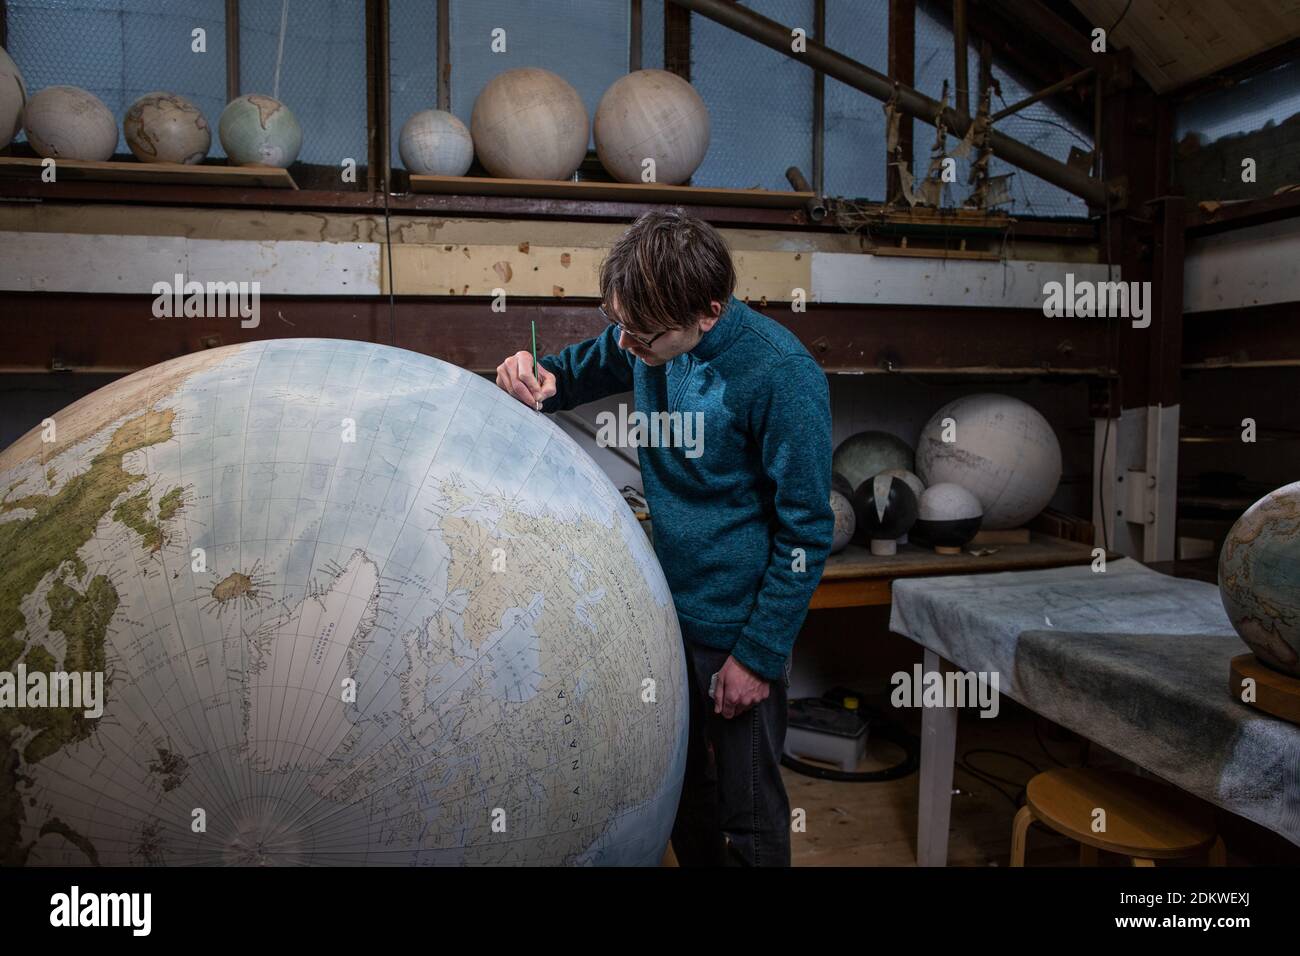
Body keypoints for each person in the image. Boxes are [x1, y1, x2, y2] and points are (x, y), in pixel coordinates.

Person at [495, 208, 832, 866]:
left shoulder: (782, 376)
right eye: (620, 325)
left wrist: (759, 656)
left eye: (641, 335)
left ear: (708, 311)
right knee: (682, 791)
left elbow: (807, 531)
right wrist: (533, 375)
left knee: (750, 810)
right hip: (663, 614)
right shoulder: (649, 338)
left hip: (738, 629)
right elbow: (582, 369)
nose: (626, 346)